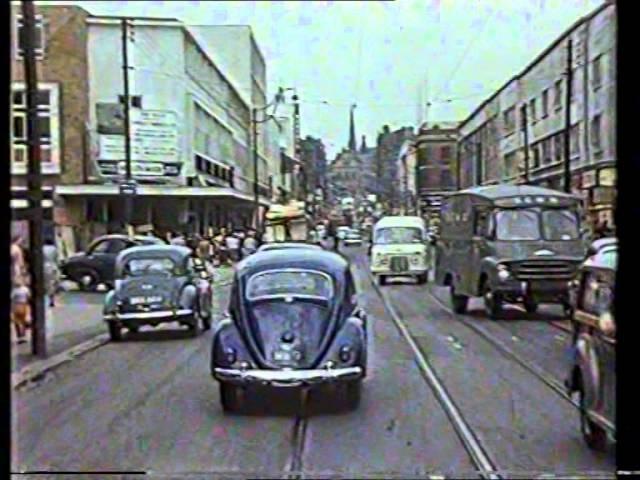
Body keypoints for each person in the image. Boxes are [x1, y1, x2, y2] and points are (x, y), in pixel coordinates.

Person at [11, 278, 31, 344]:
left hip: (22, 305)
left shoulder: (23, 289)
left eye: (18, 281)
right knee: (18, 322)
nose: (17, 282)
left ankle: (22, 336)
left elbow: (29, 297)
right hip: (18, 306)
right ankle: (21, 336)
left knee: (23, 321)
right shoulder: (15, 290)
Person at [43, 236, 60, 307]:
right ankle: (52, 300)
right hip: (53, 267)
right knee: (52, 284)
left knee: (44, 284)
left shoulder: (42, 248)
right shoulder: (54, 249)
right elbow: (56, 258)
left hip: (43, 267)